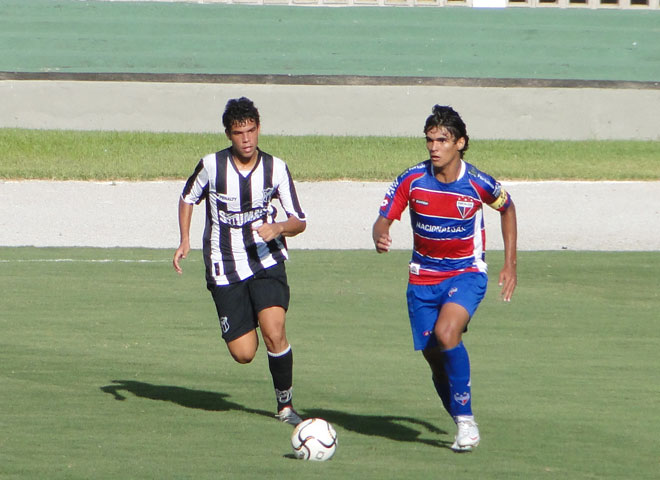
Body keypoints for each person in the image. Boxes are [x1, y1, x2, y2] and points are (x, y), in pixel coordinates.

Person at [372, 105, 517, 452]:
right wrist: (380, 234)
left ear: (461, 143)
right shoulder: (412, 179)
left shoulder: (478, 182)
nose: (434, 147)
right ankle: (459, 416)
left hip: (466, 272)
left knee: (446, 332)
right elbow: (383, 217)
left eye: (442, 140)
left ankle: (467, 422)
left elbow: (507, 208)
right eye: (430, 140)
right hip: (422, 279)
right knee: (435, 359)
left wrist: (510, 264)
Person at [173, 97, 307, 426]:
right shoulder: (211, 166)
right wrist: (185, 239)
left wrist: (278, 227)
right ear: (228, 135)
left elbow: (299, 220)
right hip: (224, 264)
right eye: (238, 133)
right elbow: (188, 197)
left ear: (259, 129)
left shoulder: (276, 168)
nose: (246, 139)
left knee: (275, 331)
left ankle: (285, 406)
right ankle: (248, 319)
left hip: (266, 259)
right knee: (244, 353)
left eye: (251, 130)